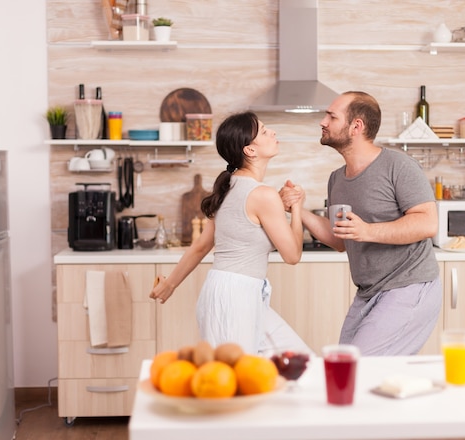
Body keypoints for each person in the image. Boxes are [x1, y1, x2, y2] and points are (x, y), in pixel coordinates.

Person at [280, 91, 442, 356]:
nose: (322, 121)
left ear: (356, 126)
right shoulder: (337, 179)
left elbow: (427, 223)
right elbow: (339, 240)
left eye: (331, 116)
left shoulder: (398, 166)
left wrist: (367, 230)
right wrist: (299, 209)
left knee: (357, 368)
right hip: (368, 293)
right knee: (342, 363)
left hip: (408, 286)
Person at [150, 111, 311, 355]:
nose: (273, 133)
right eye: (265, 131)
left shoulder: (230, 188)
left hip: (231, 293)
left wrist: (171, 284)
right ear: (250, 150)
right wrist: (297, 206)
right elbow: (293, 255)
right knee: (233, 381)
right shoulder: (262, 194)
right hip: (236, 298)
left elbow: (201, 246)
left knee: (299, 360)